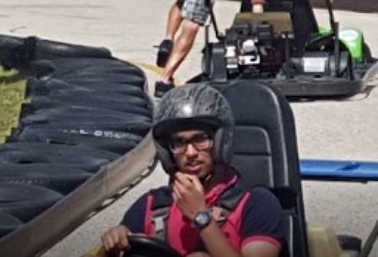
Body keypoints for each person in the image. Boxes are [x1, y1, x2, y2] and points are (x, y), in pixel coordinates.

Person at [87, 84, 286, 257]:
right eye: (179, 142)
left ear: (219, 142)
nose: (190, 153)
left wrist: (201, 217)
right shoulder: (151, 205)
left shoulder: (257, 204)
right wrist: (110, 247)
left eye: (201, 139)